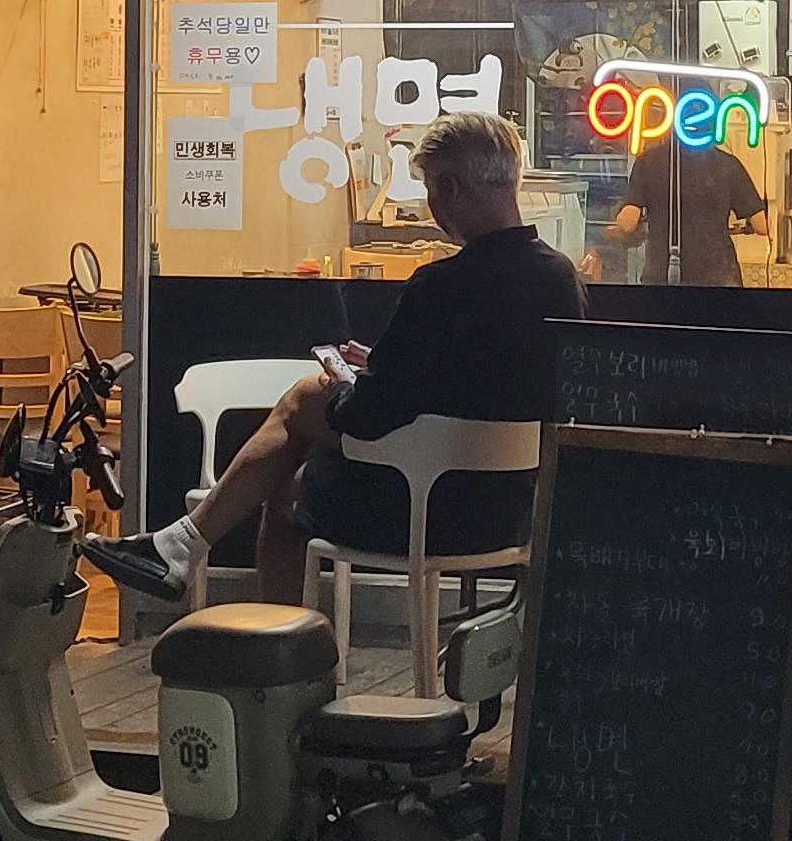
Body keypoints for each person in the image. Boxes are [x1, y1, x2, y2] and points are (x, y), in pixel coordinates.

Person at [84, 112, 583, 609]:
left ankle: (250, 616)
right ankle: (180, 547)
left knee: (299, 427)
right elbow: (487, 382)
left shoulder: (441, 286)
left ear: (450, 187)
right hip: (514, 510)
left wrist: (348, 387)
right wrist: (383, 368)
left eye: (431, 190)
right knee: (307, 420)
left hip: (424, 508)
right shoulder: (562, 280)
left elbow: (366, 418)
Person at [604, 123, 767, 290]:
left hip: (662, 276)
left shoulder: (648, 161)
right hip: (718, 277)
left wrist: (616, 223)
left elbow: (628, 223)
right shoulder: (728, 164)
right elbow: (761, 225)